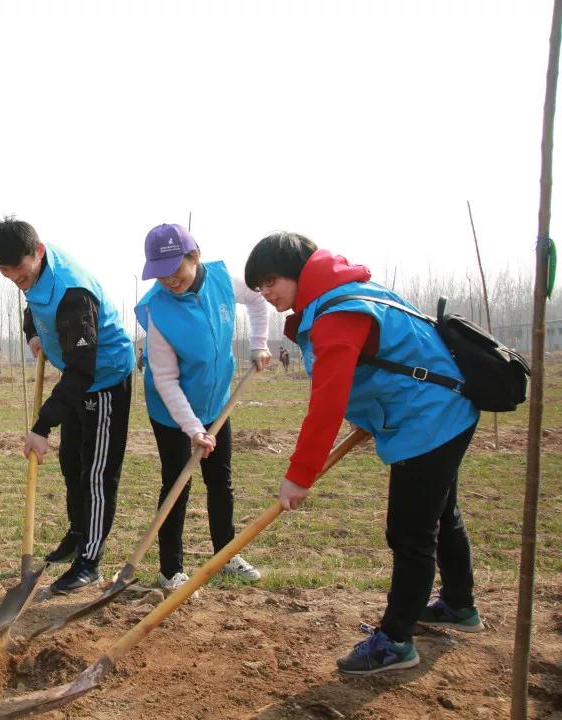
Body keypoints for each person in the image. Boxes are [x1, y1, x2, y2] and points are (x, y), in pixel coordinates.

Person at [244, 231, 482, 675]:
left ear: (298, 273)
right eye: (259, 287)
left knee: (410, 533)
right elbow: (383, 361)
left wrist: (300, 474)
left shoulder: (339, 311)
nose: (266, 293)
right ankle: (458, 605)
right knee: (441, 514)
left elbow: (327, 403)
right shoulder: (348, 294)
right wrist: (368, 413)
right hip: (446, 409)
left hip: (429, 420)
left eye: (271, 281)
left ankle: (394, 642)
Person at [0, 218, 134, 594]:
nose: (13, 278)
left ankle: (91, 561)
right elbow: (33, 309)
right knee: (72, 463)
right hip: (76, 380)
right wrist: (34, 334)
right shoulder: (34, 273)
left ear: (37, 252)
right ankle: (77, 533)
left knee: (96, 473)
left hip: (103, 382)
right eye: (5, 272)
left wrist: (41, 426)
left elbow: (83, 370)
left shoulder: (73, 293)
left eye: (18, 269)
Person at [134, 224, 271, 590]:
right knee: (178, 482)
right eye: (160, 275)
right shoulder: (157, 311)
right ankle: (170, 570)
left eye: (174, 271)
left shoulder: (224, 278)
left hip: (215, 402)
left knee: (220, 480)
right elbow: (165, 380)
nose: (168, 281)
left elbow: (259, 300)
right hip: (171, 410)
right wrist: (192, 428)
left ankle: (225, 555)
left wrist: (259, 343)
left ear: (193, 256)